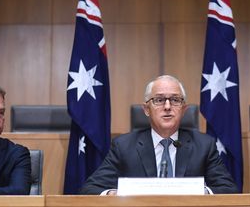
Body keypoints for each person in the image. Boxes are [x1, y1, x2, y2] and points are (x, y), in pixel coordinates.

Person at [79, 75, 239, 195]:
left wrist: (200, 192)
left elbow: (229, 189)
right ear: (146, 109)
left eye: (175, 100)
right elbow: (90, 189)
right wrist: (114, 194)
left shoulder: (204, 145)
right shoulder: (123, 146)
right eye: (159, 100)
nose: (168, 106)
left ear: (183, 109)